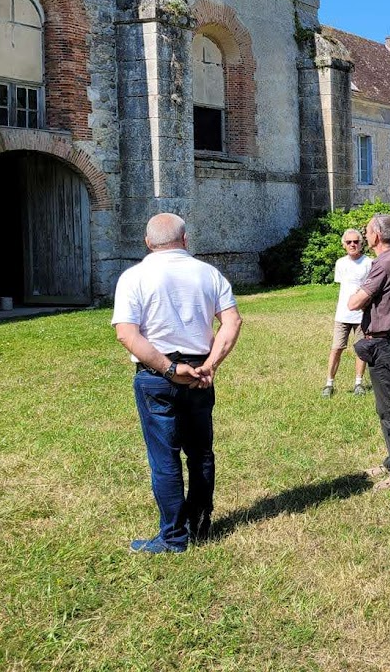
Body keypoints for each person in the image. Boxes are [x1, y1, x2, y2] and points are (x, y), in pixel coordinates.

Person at [112, 213, 242, 553]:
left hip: (156, 376)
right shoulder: (208, 273)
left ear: (147, 242)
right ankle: (199, 525)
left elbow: (127, 334)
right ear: (185, 240)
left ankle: (173, 537)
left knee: (164, 457)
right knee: (200, 452)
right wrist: (210, 365)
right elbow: (232, 321)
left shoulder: (134, 277)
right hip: (200, 373)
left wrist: (169, 369)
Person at [348, 215, 390, 490]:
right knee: (385, 407)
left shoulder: (385, 263)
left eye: (367, 232)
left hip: (385, 344)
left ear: (376, 235)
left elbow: (355, 302)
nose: (365, 236)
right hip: (386, 341)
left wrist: (359, 296)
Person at [322, 228, 370, 397]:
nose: (352, 245)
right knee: (336, 348)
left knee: (361, 349)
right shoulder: (340, 263)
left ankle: (359, 383)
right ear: (344, 245)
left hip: (362, 314)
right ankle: (329, 384)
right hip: (342, 314)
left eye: (356, 242)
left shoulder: (368, 263)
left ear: (361, 244)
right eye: (349, 242)